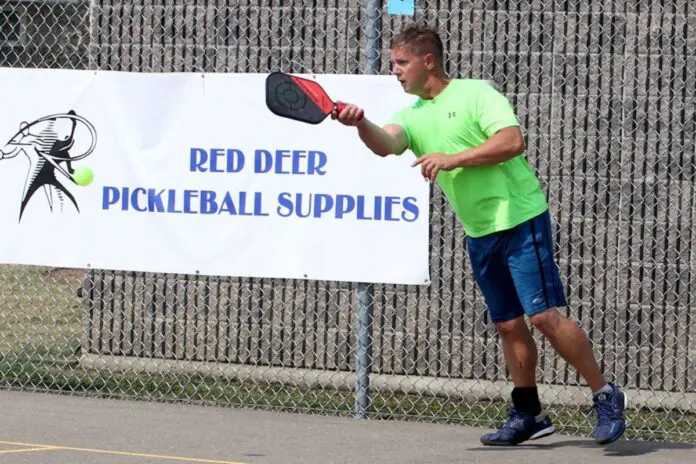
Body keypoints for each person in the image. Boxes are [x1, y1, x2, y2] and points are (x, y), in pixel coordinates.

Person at [332, 24, 628, 446]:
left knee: (542, 316)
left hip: (520, 216)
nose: (394, 70)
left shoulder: (476, 94)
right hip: (479, 231)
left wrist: (454, 159)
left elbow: (511, 141)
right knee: (508, 325)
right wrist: (359, 123)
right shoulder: (411, 115)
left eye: (401, 62)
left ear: (427, 60)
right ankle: (528, 413)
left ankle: (605, 393)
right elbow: (385, 143)